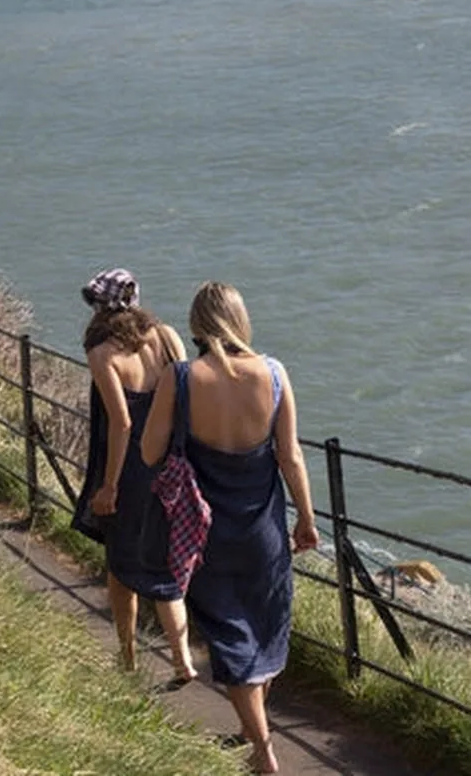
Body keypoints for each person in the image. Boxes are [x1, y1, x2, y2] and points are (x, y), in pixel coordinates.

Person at [140, 281, 319, 775]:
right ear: (241, 320)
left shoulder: (180, 377)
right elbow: (291, 456)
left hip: (205, 535)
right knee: (263, 631)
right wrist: (306, 517)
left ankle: (261, 751)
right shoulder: (275, 374)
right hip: (264, 530)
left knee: (230, 635)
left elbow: (150, 453)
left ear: (197, 325)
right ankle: (255, 734)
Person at [72, 268, 197, 685]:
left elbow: (121, 424)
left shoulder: (102, 352)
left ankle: (128, 657)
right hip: (171, 464)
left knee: (121, 566)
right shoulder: (166, 336)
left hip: (131, 471)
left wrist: (109, 486)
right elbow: (186, 399)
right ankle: (182, 660)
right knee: (165, 567)